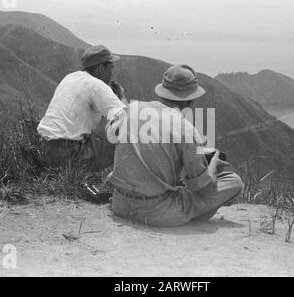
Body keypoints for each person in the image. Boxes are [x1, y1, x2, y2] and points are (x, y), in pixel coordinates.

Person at [107, 64, 244, 227]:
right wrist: (213, 165)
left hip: (120, 205)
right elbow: (202, 189)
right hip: (157, 213)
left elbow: (114, 134)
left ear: (162, 91)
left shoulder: (132, 109)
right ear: (191, 99)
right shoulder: (186, 129)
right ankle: (188, 217)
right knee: (234, 182)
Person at [37, 45, 127, 172]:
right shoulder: (97, 85)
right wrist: (122, 96)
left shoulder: (70, 77)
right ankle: (122, 183)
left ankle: (77, 177)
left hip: (45, 149)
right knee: (125, 134)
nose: (112, 73)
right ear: (101, 67)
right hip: (70, 155)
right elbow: (126, 117)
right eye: (111, 68)